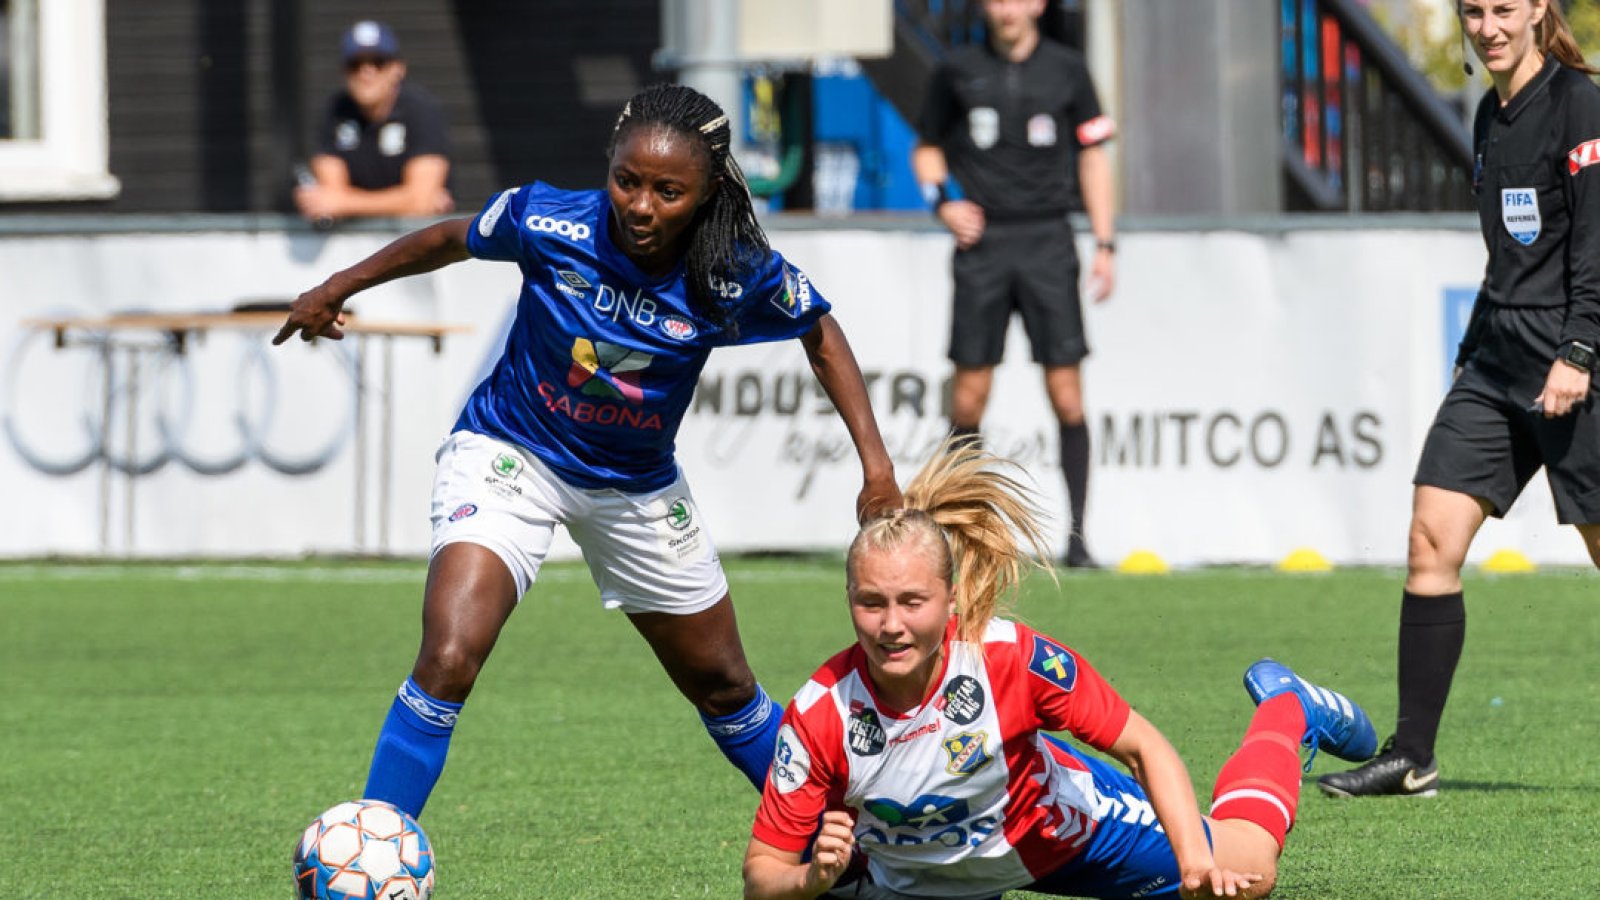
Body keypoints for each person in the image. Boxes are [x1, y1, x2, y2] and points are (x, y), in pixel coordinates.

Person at [272, 83, 902, 819]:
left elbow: (819, 333)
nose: (641, 206)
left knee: (726, 687)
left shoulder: (733, 268)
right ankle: (376, 846)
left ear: (706, 192)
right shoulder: (548, 218)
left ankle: (840, 845)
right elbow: (448, 238)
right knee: (448, 657)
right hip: (512, 453)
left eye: (668, 192)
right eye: (626, 181)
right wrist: (338, 285)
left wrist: (878, 468)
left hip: (636, 486)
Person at [743, 442, 1378, 900]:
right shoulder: (820, 712)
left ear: (951, 601)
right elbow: (762, 873)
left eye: (912, 602)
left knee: (1250, 874)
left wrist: (1193, 864)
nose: (891, 625)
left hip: (1064, 834)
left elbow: (1144, 747)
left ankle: (1287, 708)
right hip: (928, 882)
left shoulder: (1011, 659)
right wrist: (811, 880)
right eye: (871, 603)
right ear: (848, 599)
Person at [1319, 0, 1600, 799]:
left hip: (1574, 361)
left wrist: (1579, 351)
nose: (1488, 27)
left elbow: (1595, 244)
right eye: (1474, 11)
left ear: (1538, 9)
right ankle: (1412, 757)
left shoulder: (1580, 104)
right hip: (1497, 363)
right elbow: (1507, 258)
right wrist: (1472, 350)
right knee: (1429, 541)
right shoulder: (1488, 115)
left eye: (1504, 8)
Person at [910, 0, 1117, 569]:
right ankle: (962, 539)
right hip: (983, 246)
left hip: (1049, 241)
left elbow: (1093, 156)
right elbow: (926, 147)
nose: (1007, 8)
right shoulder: (957, 69)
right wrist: (943, 203)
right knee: (969, 396)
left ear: (1037, 5)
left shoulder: (1067, 69)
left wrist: (1105, 243)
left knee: (1067, 395)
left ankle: (1078, 540)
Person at [295, 19, 454, 224]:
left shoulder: (421, 110)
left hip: (419, 238)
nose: (366, 73)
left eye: (378, 63)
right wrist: (407, 200)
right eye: (355, 65)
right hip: (356, 240)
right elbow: (330, 195)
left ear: (398, 69)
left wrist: (344, 202)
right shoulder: (335, 111)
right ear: (343, 71)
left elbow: (420, 202)